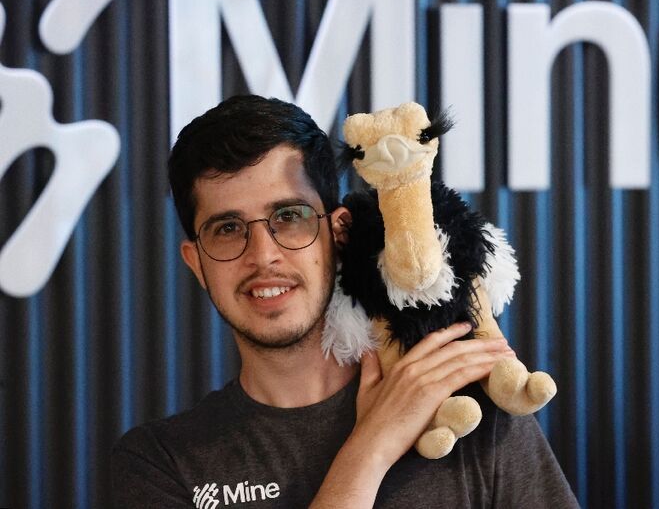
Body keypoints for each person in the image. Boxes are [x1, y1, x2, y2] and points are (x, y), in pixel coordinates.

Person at [111, 95, 579, 508]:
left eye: (289, 216)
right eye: (228, 228)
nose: (263, 255)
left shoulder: (469, 410)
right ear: (196, 263)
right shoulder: (159, 463)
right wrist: (371, 448)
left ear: (338, 232)